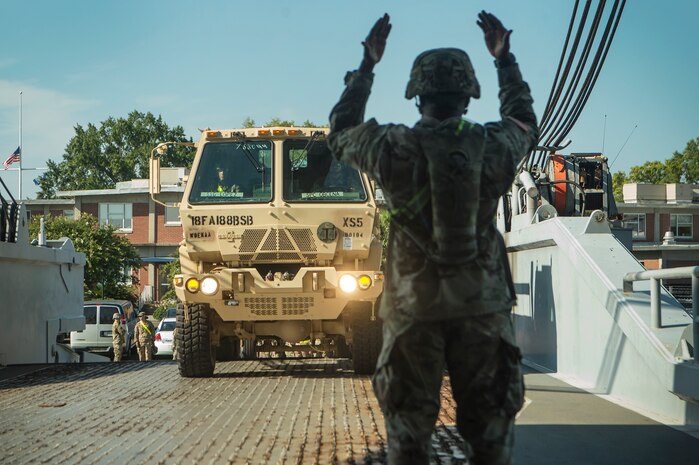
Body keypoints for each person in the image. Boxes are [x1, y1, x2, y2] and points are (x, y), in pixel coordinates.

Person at [327, 11, 538, 465]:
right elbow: (523, 122)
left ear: (416, 94)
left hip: (412, 311)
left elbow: (341, 132)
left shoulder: (389, 147)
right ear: (468, 94)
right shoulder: (493, 145)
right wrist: (505, 60)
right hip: (480, 308)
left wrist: (366, 66)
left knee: (407, 439)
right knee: (490, 438)